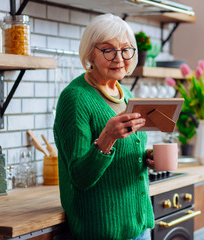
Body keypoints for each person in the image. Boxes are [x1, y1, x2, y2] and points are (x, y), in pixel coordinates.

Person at [53, 13, 155, 240]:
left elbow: (125, 155)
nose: (119, 58)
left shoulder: (126, 95)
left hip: (139, 226)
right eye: (108, 50)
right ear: (90, 52)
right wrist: (106, 138)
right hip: (102, 230)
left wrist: (146, 157)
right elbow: (79, 177)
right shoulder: (75, 98)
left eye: (126, 49)